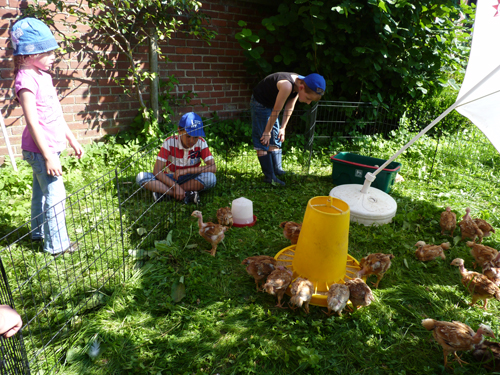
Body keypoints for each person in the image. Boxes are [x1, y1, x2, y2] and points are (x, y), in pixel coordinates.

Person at [11, 18, 84, 256]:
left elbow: (56, 114)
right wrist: (49, 157)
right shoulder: (26, 80)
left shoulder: (44, 75)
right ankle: (57, 246)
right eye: (48, 51)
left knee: (41, 192)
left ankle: (38, 232)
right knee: (56, 195)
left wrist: (72, 140)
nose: (54, 56)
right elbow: (32, 123)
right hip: (41, 150)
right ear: (29, 54)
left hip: (50, 148)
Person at [251, 72, 326, 185]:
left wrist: (283, 128)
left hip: (272, 105)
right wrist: (266, 131)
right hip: (260, 104)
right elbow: (277, 110)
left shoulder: (300, 83)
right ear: (301, 88)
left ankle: (277, 170)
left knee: (276, 135)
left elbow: (289, 106)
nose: (308, 102)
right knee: (263, 138)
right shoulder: (287, 85)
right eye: (308, 98)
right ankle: (269, 177)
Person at [136, 112, 216, 204]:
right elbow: (157, 171)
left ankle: (165, 193)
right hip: (170, 178)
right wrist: (175, 186)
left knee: (211, 178)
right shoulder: (169, 142)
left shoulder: (201, 142)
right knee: (141, 177)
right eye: (188, 136)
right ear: (179, 131)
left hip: (191, 178)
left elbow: (213, 167)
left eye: (195, 137)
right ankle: (184, 194)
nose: (192, 140)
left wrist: (187, 171)